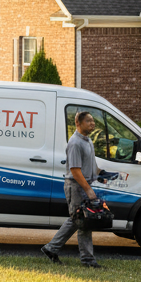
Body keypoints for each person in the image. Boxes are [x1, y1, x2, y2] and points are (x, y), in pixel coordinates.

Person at [41, 110, 104, 269]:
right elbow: (75, 171)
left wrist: (101, 174)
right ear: (78, 123)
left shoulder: (87, 141)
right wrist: (89, 190)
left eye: (93, 121)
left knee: (77, 220)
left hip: (83, 185)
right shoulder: (75, 143)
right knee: (82, 221)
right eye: (88, 121)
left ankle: (51, 248)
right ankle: (88, 261)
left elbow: (91, 164)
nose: (92, 123)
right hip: (76, 187)